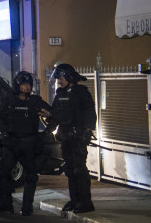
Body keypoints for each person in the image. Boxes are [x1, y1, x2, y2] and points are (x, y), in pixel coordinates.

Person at [0, 71, 51, 215]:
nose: (27, 87)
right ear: (17, 85)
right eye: (24, 84)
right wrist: (5, 133)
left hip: (30, 143)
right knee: (2, 173)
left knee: (31, 176)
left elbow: (52, 113)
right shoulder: (9, 100)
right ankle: (6, 203)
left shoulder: (35, 101)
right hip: (12, 143)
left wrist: (46, 128)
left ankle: (27, 207)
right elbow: (1, 119)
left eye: (29, 84)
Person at [45, 63, 96, 214]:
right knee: (69, 169)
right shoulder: (60, 94)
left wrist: (87, 131)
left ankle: (85, 202)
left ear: (69, 76)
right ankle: (74, 200)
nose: (59, 81)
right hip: (65, 137)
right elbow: (56, 115)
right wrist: (46, 131)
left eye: (61, 77)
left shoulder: (81, 92)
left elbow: (90, 113)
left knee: (79, 169)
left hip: (78, 137)